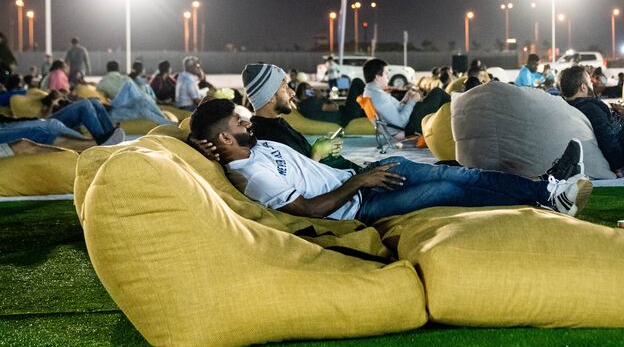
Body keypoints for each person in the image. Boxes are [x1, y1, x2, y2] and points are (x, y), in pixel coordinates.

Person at [189, 98, 592, 222]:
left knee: (459, 174)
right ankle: (542, 201)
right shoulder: (253, 175)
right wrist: (359, 184)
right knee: (445, 188)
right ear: (225, 137)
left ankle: (546, 188)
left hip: (360, 180)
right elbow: (308, 209)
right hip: (357, 204)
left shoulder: (256, 147)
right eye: (240, 121)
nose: (249, 120)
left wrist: (359, 174)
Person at [239, 63, 360, 171]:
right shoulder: (266, 137)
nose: (292, 93)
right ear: (269, 96)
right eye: (285, 88)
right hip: (351, 186)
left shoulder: (277, 125)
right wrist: (317, 154)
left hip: (349, 174)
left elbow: (303, 160)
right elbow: (302, 182)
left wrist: (322, 149)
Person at [363, 58, 450, 136]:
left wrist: (405, 100)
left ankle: (452, 121)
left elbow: (394, 111)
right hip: (412, 124)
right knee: (438, 93)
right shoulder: (379, 97)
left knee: (437, 97)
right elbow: (400, 123)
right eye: (386, 73)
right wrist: (412, 101)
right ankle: (457, 118)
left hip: (411, 117)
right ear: (377, 77)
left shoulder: (371, 92)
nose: (388, 77)